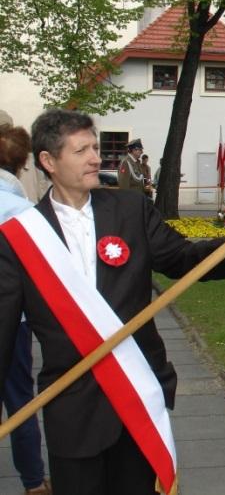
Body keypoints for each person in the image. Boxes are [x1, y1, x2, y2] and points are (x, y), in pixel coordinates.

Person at [0, 110, 225, 495]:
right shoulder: (18, 237)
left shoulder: (131, 210)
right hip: (73, 408)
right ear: (49, 161)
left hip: (138, 395)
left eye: (95, 147)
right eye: (81, 151)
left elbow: (181, 259)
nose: (96, 157)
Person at [0, 123, 51, 494]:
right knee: (19, 399)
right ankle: (33, 482)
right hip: (13, 322)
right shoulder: (22, 210)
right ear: (22, 165)